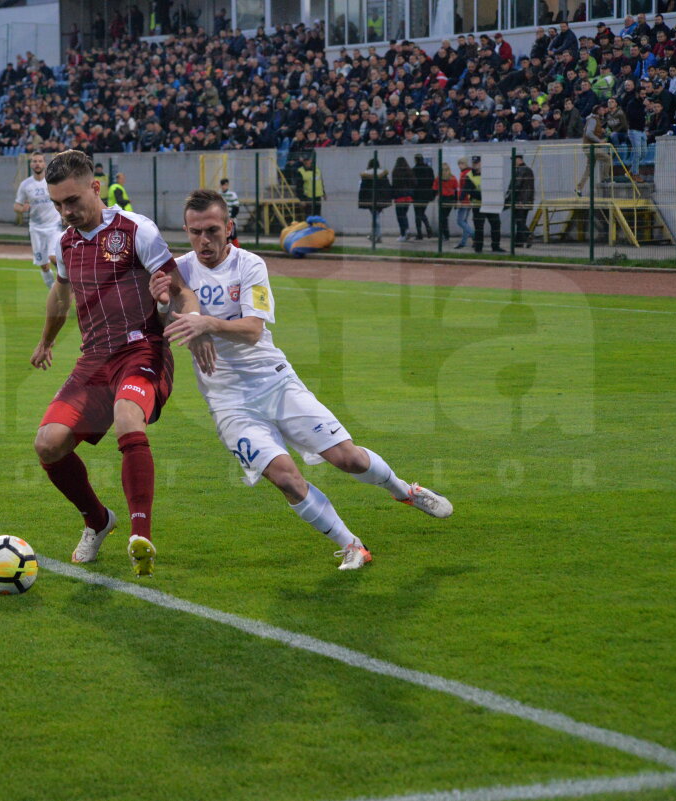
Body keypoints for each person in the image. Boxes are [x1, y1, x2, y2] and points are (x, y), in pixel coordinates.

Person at [152, 189, 452, 570]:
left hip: (275, 383)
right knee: (286, 479)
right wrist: (162, 304)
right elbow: (162, 327)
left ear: (229, 227)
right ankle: (352, 545)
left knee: (348, 458)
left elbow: (253, 330)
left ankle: (404, 491)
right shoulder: (179, 270)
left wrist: (208, 324)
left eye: (212, 230)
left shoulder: (250, 265)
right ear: (186, 230)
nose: (204, 240)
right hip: (228, 401)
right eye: (195, 232)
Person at [31, 149, 209, 577]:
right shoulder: (65, 240)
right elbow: (61, 292)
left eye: (71, 200)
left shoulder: (135, 230)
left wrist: (194, 322)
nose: (65, 211)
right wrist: (46, 342)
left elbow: (180, 289)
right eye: (57, 203)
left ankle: (140, 534)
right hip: (94, 360)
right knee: (48, 443)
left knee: (129, 416)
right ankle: (98, 519)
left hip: (142, 350)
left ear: (95, 187)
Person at [14, 152, 62, 288]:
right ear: (31, 164)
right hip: (36, 228)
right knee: (43, 265)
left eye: (40, 161)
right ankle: (54, 291)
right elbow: (16, 205)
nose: (37, 164)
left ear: (44, 163)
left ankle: (66, 283)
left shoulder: (52, 181)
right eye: (34, 161)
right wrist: (22, 208)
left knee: (54, 257)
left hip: (54, 226)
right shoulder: (25, 185)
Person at [466, 156, 502, 253]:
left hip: (490, 204)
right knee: (479, 227)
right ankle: (478, 248)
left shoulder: (489, 174)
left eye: (477, 163)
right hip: (478, 205)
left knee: (496, 225)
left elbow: (495, 186)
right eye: (474, 163)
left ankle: (496, 246)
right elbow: (470, 191)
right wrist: (486, 195)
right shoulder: (469, 175)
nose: (475, 165)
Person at [576, 105, 611, 195]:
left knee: (589, 169)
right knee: (607, 158)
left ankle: (579, 188)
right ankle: (605, 179)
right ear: (598, 111)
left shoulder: (594, 120)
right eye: (602, 110)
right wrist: (600, 141)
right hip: (590, 147)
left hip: (589, 147)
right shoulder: (593, 119)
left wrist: (602, 132)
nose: (604, 111)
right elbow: (588, 133)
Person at [357, 158, 391, 244]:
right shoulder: (383, 174)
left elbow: (361, 188)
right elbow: (387, 187)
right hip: (381, 198)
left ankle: (378, 235)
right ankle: (373, 234)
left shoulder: (366, 174)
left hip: (370, 199)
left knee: (375, 217)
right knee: (376, 216)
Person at [505, 154, 535, 247]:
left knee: (518, 221)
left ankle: (528, 234)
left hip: (520, 201)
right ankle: (519, 242)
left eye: (514, 160)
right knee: (521, 221)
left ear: (518, 160)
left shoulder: (522, 170)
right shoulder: (527, 169)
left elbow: (517, 185)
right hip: (526, 200)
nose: (512, 163)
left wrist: (509, 198)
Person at [411, 155, 436, 241]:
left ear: (415, 160)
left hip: (417, 194)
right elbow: (433, 181)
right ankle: (428, 229)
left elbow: (413, 182)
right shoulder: (429, 169)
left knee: (418, 213)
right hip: (427, 194)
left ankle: (420, 233)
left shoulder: (414, 170)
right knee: (421, 212)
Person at [453, 156, 475, 249]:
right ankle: (463, 242)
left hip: (464, 200)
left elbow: (463, 189)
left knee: (460, 221)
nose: (459, 166)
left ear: (465, 164)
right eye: (459, 164)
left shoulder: (464, 174)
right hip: (469, 200)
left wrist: (460, 200)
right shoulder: (469, 172)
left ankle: (474, 235)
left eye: (461, 164)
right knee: (464, 221)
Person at [391, 157, 415, 242]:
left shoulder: (395, 172)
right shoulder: (409, 172)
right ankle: (406, 231)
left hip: (399, 196)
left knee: (400, 216)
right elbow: (414, 183)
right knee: (404, 214)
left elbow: (394, 185)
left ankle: (403, 233)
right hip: (408, 197)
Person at [437, 162, 458, 241]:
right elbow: (456, 191)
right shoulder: (453, 178)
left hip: (443, 199)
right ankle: (445, 235)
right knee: (444, 217)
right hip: (450, 199)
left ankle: (444, 235)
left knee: (442, 218)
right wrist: (455, 203)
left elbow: (435, 189)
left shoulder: (438, 178)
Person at [219, 178, 241, 247]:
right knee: (224, 237)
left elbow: (236, 207)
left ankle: (238, 251)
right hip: (221, 220)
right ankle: (225, 253)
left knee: (233, 236)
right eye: (223, 185)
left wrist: (232, 217)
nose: (224, 186)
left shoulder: (232, 195)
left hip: (230, 219)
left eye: (226, 185)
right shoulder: (218, 195)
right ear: (221, 185)